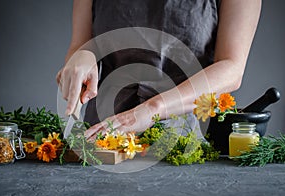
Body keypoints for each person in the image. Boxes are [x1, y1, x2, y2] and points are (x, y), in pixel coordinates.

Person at [56, 0, 262, 140]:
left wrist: (153, 109)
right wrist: (82, 55)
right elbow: (80, 44)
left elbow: (231, 68)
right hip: (102, 138)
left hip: (187, 141)